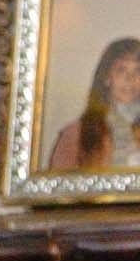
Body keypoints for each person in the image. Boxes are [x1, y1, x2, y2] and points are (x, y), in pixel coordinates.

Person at [48, 36, 140, 170]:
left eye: (138, 71)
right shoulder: (76, 135)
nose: (130, 78)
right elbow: (59, 187)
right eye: (121, 70)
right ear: (107, 77)